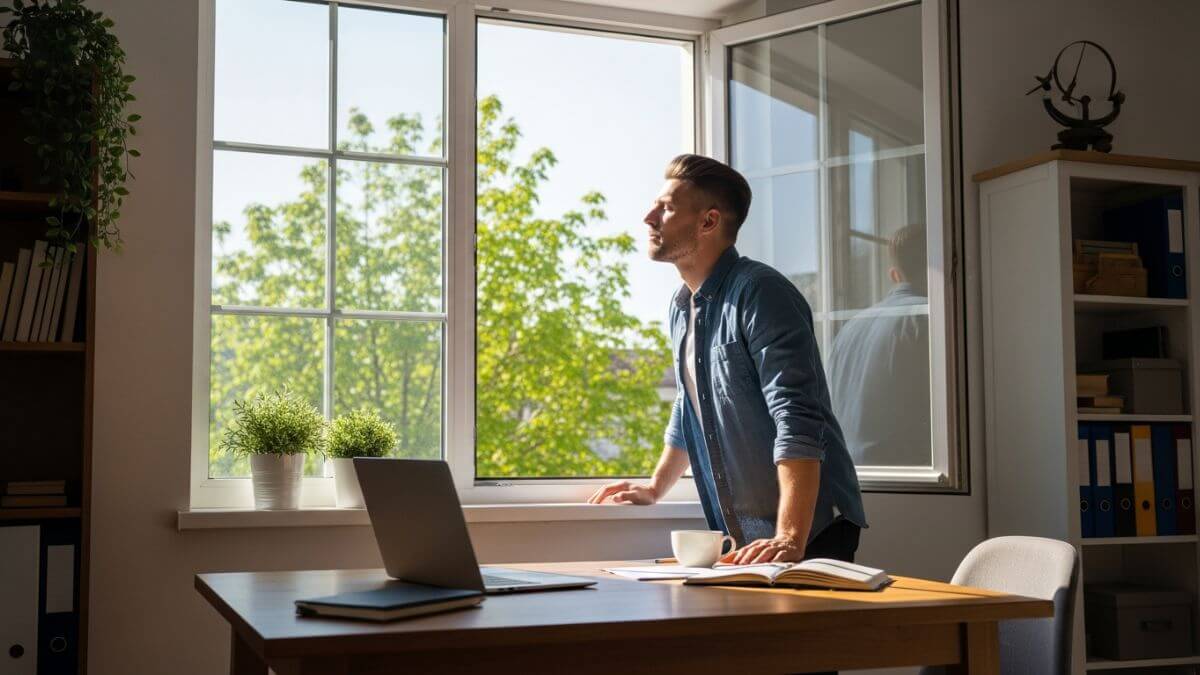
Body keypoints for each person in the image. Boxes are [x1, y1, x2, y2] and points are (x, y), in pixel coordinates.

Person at [587, 154, 866, 565]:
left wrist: (790, 538)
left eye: (665, 208)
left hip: (813, 533)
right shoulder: (682, 307)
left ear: (708, 222)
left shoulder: (763, 294)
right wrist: (655, 486)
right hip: (749, 542)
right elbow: (690, 403)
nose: (649, 217)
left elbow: (797, 418)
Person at [827, 224, 931, 467]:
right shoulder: (928, 319)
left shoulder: (849, 328)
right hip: (914, 477)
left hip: (853, 475)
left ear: (894, 275)